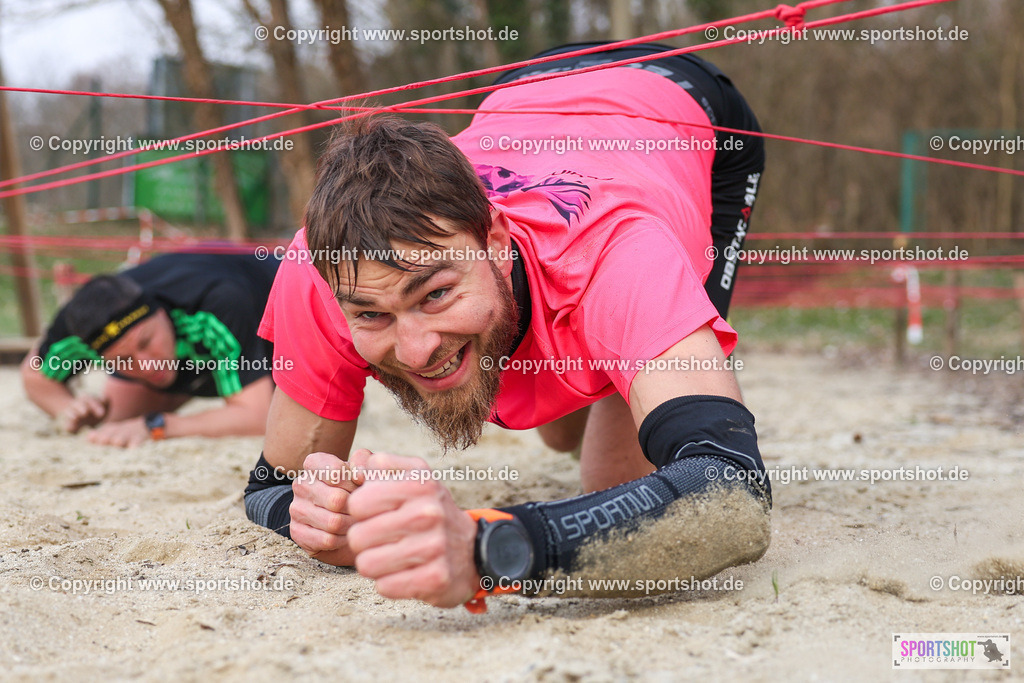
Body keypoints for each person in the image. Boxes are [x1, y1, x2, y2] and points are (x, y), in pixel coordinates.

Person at [245, 43, 769, 610]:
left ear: (494, 239)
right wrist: (315, 512)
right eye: (372, 315)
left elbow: (731, 494)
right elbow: (268, 487)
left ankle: (622, 359)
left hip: (680, 97)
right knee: (575, 440)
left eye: (437, 293)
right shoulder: (325, 271)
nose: (417, 352)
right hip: (528, 84)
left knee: (616, 484)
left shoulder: (625, 257)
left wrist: (488, 549)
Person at [21, 252, 280, 447]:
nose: (146, 364)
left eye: (145, 342)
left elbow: (257, 417)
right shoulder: (82, 328)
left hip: (272, 332)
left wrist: (158, 426)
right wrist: (67, 407)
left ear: (161, 313)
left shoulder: (218, 303)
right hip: (186, 359)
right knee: (110, 423)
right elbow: (33, 374)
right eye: (123, 359)